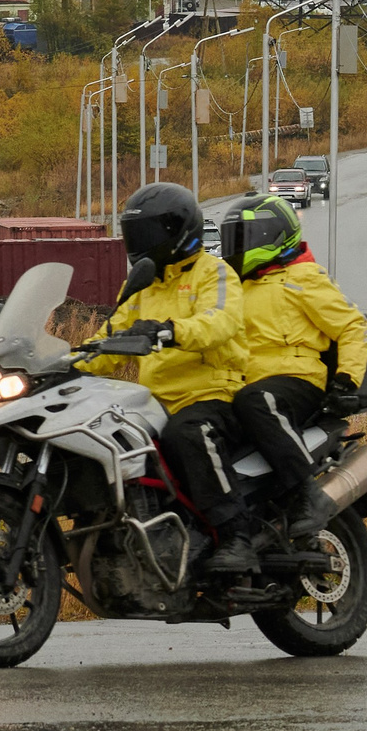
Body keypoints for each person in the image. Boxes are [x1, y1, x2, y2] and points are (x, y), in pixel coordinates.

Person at [82, 182, 260, 577]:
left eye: (148, 234)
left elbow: (220, 322)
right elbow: (111, 338)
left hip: (214, 390)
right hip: (156, 401)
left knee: (188, 434)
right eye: (135, 234)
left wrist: (170, 330)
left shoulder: (213, 272)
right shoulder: (145, 286)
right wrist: (71, 361)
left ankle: (236, 537)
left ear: (176, 232)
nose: (140, 244)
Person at [225, 195, 367, 539]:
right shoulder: (236, 288)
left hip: (296, 380)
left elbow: (353, 327)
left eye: (246, 237)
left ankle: (307, 494)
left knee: (256, 401)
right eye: (236, 237)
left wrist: (346, 381)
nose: (239, 246)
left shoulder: (302, 276)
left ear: (272, 237)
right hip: (246, 385)